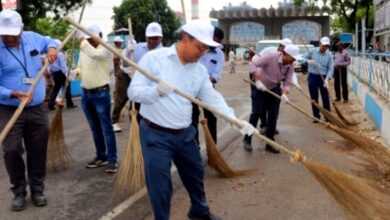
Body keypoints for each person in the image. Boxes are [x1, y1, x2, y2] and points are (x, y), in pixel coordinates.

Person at [128, 21, 254, 220]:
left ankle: (199, 210)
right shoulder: (153, 60)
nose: (203, 53)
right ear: (185, 39)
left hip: (185, 134)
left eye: (206, 48)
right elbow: (133, 92)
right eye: (200, 47)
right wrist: (156, 91)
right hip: (155, 135)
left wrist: (235, 120)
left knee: (195, 174)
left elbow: (212, 98)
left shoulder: (199, 70)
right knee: (160, 186)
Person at [0, 10, 58, 211]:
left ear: (21, 30)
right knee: (11, 150)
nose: (9, 37)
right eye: (5, 34)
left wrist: (51, 48)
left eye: (13, 33)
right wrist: (12, 94)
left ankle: (37, 189)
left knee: (38, 149)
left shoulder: (33, 38)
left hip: (37, 108)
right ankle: (18, 191)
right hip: (9, 109)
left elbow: (53, 41)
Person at [74, 24, 118, 173]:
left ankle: (112, 159)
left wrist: (81, 39)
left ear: (99, 35)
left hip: (101, 93)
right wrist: (75, 73)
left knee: (106, 128)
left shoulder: (106, 48)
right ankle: (101, 156)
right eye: (87, 38)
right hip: (86, 93)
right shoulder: (84, 48)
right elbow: (81, 67)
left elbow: (94, 54)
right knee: (95, 128)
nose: (89, 41)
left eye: (91, 37)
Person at [243, 44, 301, 153]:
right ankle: (247, 138)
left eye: (294, 59)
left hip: (273, 88)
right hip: (259, 86)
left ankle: (270, 143)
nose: (293, 61)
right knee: (256, 113)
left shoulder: (290, 65)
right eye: (292, 58)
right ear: (285, 54)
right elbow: (253, 63)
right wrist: (257, 80)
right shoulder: (271, 56)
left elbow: (288, 81)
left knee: (273, 115)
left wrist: (284, 93)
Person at [112, 22, 163, 132]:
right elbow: (125, 65)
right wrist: (127, 53)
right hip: (139, 90)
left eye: (155, 38)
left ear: (161, 38)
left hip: (153, 93)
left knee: (153, 122)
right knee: (134, 115)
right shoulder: (138, 47)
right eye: (149, 38)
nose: (151, 41)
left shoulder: (164, 53)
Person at [191, 26, 225, 143]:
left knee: (210, 117)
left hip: (208, 87)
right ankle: (195, 147)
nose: (216, 43)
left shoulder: (219, 54)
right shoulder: (197, 48)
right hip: (191, 87)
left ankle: (212, 147)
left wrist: (204, 83)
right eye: (215, 39)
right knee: (192, 117)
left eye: (218, 41)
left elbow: (216, 74)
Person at [255, 38, 293, 135]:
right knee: (261, 108)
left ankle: (271, 128)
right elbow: (255, 63)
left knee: (274, 108)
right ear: (280, 46)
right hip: (260, 81)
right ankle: (264, 125)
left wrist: (285, 93)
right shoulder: (270, 52)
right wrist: (258, 80)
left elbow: (288, 79)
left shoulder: (290, 62)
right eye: (284, 48)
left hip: (275, 83)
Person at [302, 36, 334, 122]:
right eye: (324, 46)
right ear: (320, 44)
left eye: (327, 46)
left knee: (325, 98)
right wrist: (307, 61)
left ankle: (328, 117)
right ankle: (316, 116)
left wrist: (327, 79)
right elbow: (301, 58)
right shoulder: (312, 51)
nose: (325, 48)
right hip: (312, 77)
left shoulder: (329, 55)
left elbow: (330, 68)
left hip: (323, 78)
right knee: (314, 98)